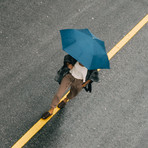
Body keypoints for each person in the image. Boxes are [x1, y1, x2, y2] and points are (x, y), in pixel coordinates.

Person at [41, 54, 99, 119]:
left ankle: (65, 100)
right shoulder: (76, 57)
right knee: (58, 94)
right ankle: (51, 109)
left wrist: (84, 84)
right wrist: (68, 64)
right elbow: (67, 57)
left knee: (73, 93)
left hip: (79, 81)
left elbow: (94, 76)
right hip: (69, 77)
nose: (81, 62)